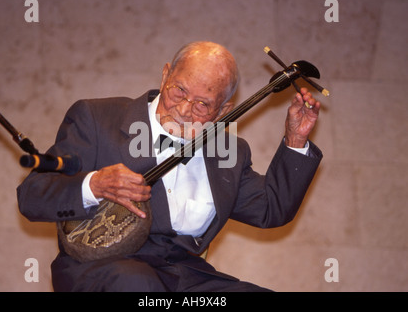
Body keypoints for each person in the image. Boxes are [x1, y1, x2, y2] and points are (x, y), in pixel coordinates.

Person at [17, 41, 322, 292]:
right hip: (104, 271)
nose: (185, 109)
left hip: (185, 278)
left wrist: (296, 139)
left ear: (223, 110)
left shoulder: (229, 151)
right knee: (139, 287)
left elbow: (271, 209)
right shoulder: (99, 118)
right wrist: (93, 184)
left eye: (203, 104)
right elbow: (32, 194)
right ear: (165, 75)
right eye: (179, 91)